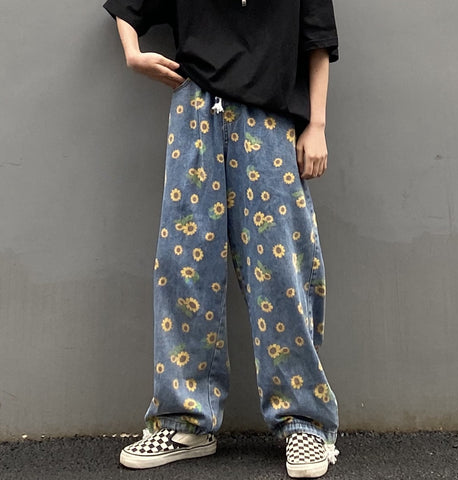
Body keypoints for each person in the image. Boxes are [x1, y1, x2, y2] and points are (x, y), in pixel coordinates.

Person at [103, 0, 340, 477]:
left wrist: (316, 124)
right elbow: (129, 6)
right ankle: (185, 420)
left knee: (282, 273)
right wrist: (132, 53)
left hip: (270, 120)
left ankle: (305, 423)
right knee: (185, 268)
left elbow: (317, 38)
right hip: (195, 111)